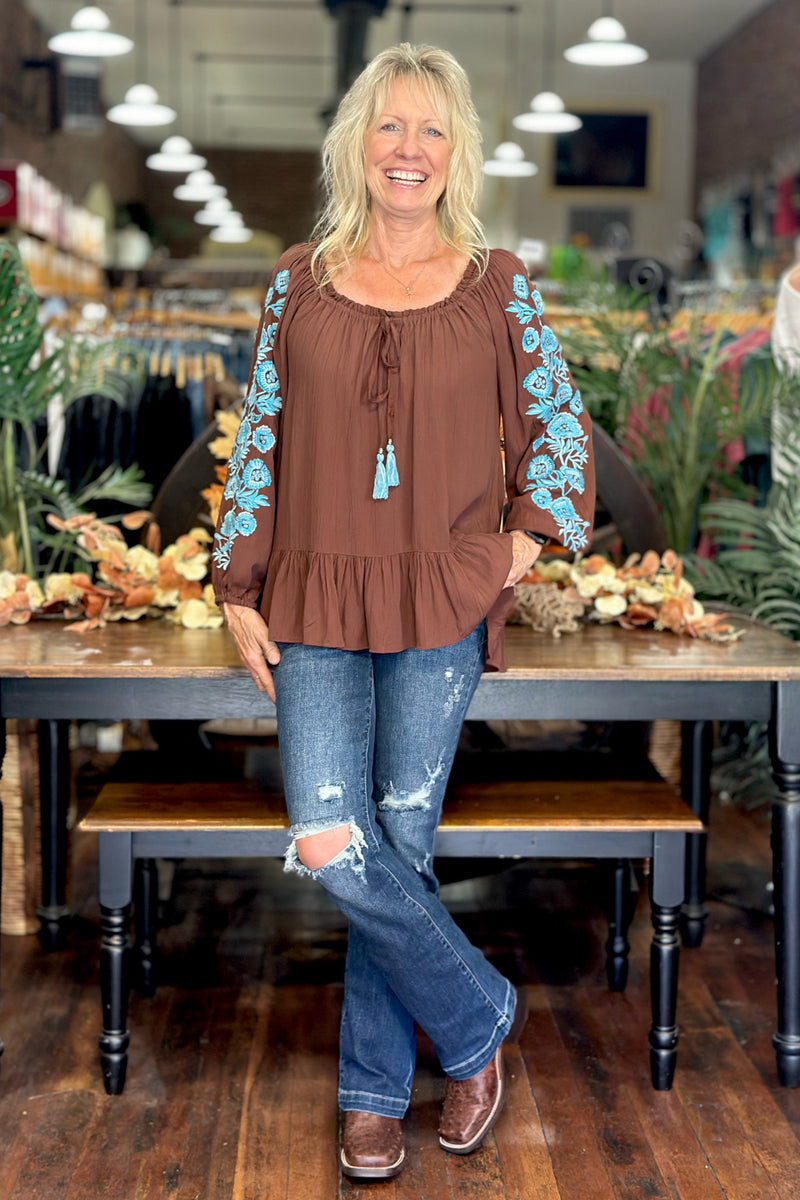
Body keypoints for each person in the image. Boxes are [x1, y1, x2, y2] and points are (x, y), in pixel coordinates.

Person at [212, 42, 595, 1181]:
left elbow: (558, 434)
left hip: (440, 599)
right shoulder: (298, 277)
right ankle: (478, 1018)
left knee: (402, 844)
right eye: (390, 127)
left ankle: (373, 1096)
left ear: (454, 151)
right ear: (357, 144)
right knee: (335, 846)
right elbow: (260, 438)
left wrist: (516, 548)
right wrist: (236, 587)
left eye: (431, 131)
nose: (409, 151)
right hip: (314, 595)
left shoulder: (499, 282)